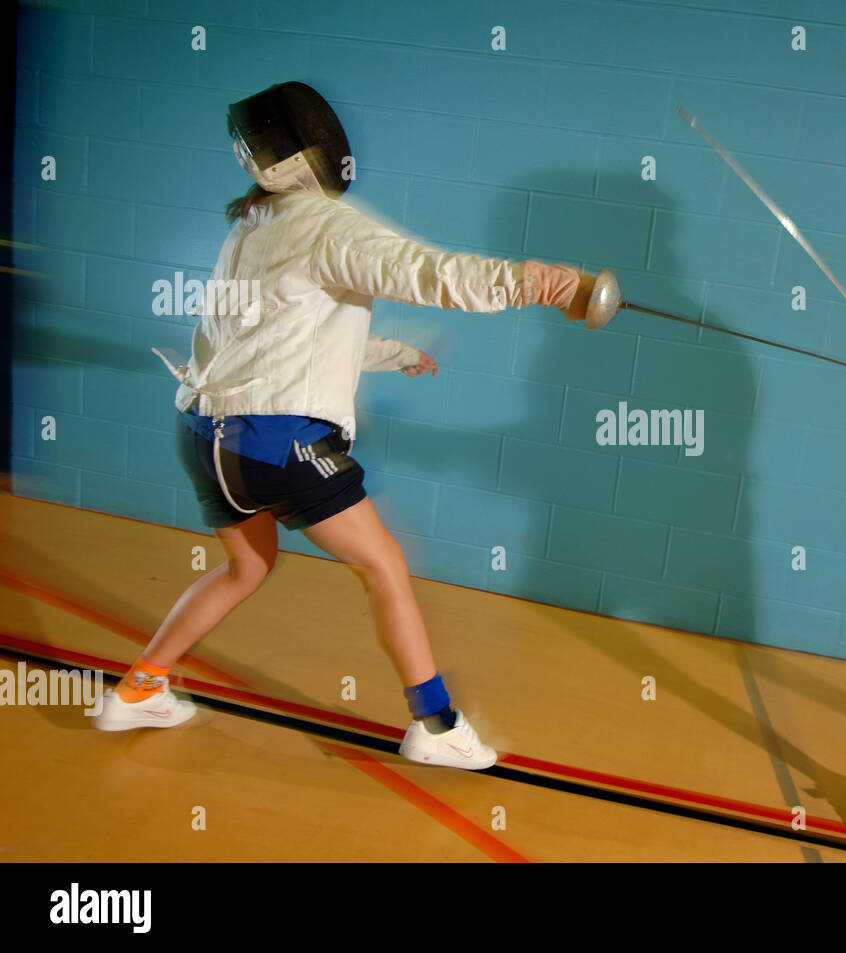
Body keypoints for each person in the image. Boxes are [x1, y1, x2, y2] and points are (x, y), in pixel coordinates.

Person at [92, 81, 603, 770]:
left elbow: (267, 340)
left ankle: (139, 687)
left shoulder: (250, 226)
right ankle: (437, 724)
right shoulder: (329, 226)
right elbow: (430, 273)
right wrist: (539, 282)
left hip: (206, 436)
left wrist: (391, 354)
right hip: (277, 441)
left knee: (247, 565)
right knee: (385, 563)